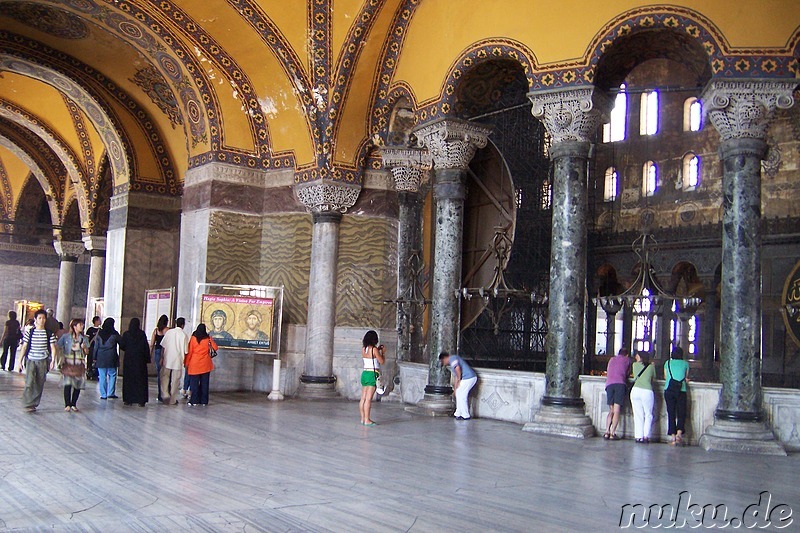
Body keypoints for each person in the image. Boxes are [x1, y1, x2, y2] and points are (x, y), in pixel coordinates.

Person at [19, 309, 57, 412]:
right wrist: (20, 361)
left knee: (40, 382)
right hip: (31, 359)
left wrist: (53, 360)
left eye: (44, 318)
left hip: (42, 361)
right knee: (29, 382)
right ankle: (27, 403)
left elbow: (53, 347)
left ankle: (34, 403)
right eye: (39, 318)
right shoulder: (30, 332)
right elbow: (24, 346)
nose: (42, 320)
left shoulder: (49, 333)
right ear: (35, 319)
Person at [56, 319, 89, 412]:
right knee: (68, 384)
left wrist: (84, 347)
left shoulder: (84, 338)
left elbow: (87, 352)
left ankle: (74, 403)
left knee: (77, 385)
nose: (82, 326)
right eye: (80, 325)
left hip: (79, 364)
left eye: (82, 325)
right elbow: (58, 345)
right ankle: (67, 404)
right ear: (74, 327)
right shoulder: (66, 337)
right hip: (68, 363)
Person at [184, 323, 217, 406]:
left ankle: (194, 400)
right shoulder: (207, 338)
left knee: (194, 384)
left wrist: (186, 363)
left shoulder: (193, 338)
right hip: (206, 364)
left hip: (194, 364)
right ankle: (204, 401)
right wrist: (210, 338)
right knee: (205, 383)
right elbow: (215, 347)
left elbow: (190, 352)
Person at [120, 318, 150, 406]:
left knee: (129, 380)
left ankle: (128, 399)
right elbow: (145, 347)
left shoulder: (126, 334)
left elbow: (122, 346)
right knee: (140, 380)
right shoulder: (142, 334)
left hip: (129, 361)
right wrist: (147, 358)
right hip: (140, 361)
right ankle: (141, 400)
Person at [439, 351, 478, 420]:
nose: (444, 364)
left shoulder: (452, 358)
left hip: (469, 377)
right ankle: (458, 413)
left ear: (444, 358)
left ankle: (465, 415)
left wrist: (459, 380)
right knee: (459, 393)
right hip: (467, 378)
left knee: (462, 395)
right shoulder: (452, 361)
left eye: (443, 361)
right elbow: (456, 376)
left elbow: (457, 368)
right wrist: (455, 388)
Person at [664, 346, 690, 446]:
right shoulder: (685, 364)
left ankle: (673, 437)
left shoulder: (667, 363)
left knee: (671, 413)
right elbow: (686, 377)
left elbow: (666, 377)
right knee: (681, 413)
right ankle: (679, 435)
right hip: (681, 390)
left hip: (669, 390)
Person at [160, 317, 189, 405]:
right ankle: (172, 399)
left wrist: (162, 357)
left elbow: (163, 345)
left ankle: (165, 394)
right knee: (175, 380)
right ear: (183, 325)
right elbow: (186, 351)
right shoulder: (184, 335)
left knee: (165, 377)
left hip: (168, 358)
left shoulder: (169, 332)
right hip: (178, 359)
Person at [604, 347, 631, 440]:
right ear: (626, 354)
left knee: (611, 410)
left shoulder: (612, 359)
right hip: (620, 384)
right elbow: (627, 373)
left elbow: (608, 371)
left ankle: (606, 431)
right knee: (616, 410)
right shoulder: (627, 360)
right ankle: (612, 433)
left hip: (609, 385)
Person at [359, 330, 385, 426]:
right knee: (369, 399)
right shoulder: (374, 349)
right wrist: (383, 353)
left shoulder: (364, 349)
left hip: (365, 373)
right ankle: (367, 419)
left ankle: (362, 418)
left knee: (363, 398)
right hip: (372, 374)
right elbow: (381, 361)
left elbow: (370, 358)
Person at [629, 350, 656, 443]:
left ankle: (638, 436)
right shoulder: (651, 367)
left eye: (637, 356)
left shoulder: (634, 365)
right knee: (648, 415)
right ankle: (646, 436)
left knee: (638, 415)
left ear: (641, 357)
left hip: (635, 391)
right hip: (647, 391)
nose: (636, 357)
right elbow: (654, 378)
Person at [93, 318, 121, 400]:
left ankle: (103, 394)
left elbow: (96, 347)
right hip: (111, 356)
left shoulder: (99, 333)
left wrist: (94, 357)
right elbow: (122, 343)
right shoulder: (115, 334)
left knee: (102, 376)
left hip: (101, 356)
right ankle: (111, 393)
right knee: (112, 374)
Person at [150, 314, 169, 402]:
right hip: (166, 352)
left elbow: (152, 344)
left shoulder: (156, 331)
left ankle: (159, 394)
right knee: (166, 374)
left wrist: (149, 354)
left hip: (157, 352)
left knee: (159, 374)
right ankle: (166, 392)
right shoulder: (168, 330)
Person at [85, 316, 101, 381]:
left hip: (98, 349)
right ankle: (89, 372)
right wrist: (87, 347)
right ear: (96, 321)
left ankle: (95, 374)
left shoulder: (101, 330)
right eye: (99, 320)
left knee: (96, 361)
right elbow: (87, 339)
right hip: (91, 347)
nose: (100, 321)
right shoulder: (90, 330)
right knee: (90, 360)